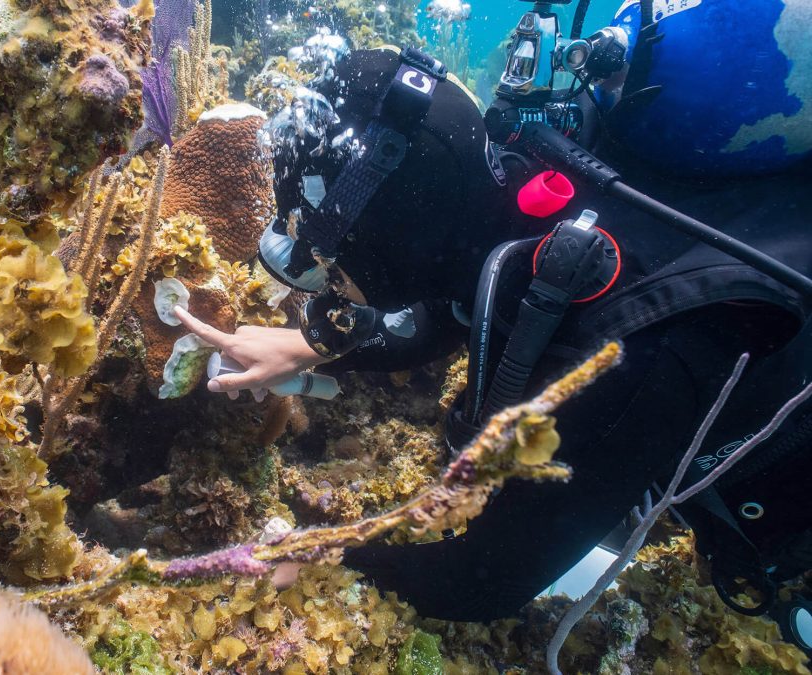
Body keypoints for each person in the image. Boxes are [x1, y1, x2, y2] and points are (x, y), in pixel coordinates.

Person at [175, 2, 812, 624]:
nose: (326, 290)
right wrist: (314, 341)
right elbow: (453, 310)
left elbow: (482, 581)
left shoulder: (631, 341)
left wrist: (324, 553)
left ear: (393, 255)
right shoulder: (520, 185)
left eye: (331, 272)